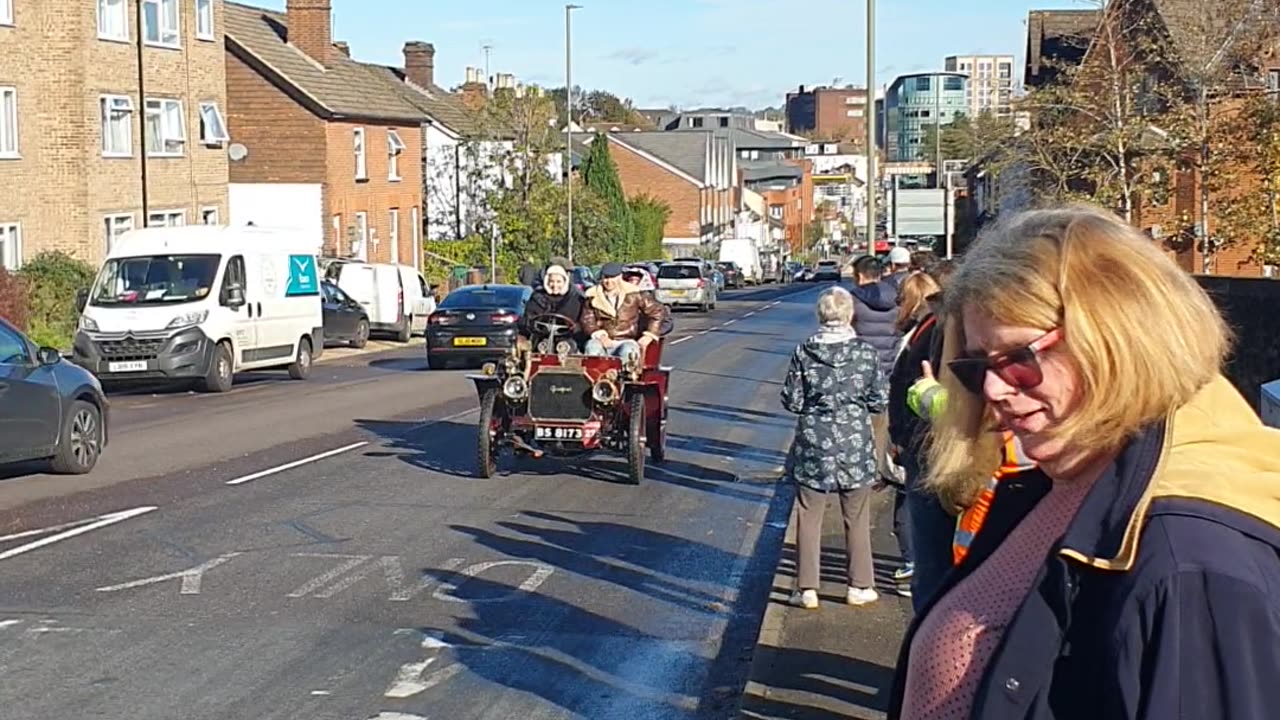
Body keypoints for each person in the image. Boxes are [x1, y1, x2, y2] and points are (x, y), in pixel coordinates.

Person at [888, 205, 1280, 720]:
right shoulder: (1068, 480)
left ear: (1118, 338)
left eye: (1019, 359)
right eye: (976, 366)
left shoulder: (1189, 560)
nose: (992, 389)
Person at [782, 286, 886, 609]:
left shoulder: (804, 351)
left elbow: (792, 400)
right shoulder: (866, 353)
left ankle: (807, 589)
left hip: (815, 438)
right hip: (854, 440)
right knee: (856, 515)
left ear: (820, 315)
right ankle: (859, 585)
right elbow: (879, 399)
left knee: (809, 513)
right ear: (849, 315)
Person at [887, 264, 955, 607]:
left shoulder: (933, 328)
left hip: (932, 448)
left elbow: (902, 385)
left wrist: (899, 437)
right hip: (933, 448)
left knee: (934, 559)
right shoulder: (934, 326)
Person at [850, 255, 901, 485]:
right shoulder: (898, 298)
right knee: (882, 423)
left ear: (859, 276)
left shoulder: (853, 300)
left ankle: (858, 470)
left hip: (859, 370)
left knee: (858, 423)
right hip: (888, 368)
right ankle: (879, 470)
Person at [581, 262, 663, 365]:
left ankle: (626, 379)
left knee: (629, 352)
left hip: (626, 339)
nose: (609, 281)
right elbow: (587, 320)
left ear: (620, 277)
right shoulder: (592, 295)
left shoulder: (634, 293)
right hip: (601, 340)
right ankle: (592, 379)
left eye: (613, 277)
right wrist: (601, 336)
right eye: (606, 278)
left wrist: (649, 335)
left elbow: (657, 311)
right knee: (591, 348)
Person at [519, 264, 585, 344]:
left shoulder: (574, 298)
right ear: (547, 281)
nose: (555, 285)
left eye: (558, 282)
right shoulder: (537, 297)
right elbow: (529, 320)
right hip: (541, 337)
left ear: (565, 281)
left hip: (567, 337)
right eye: (552, 281)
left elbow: (580, 321)